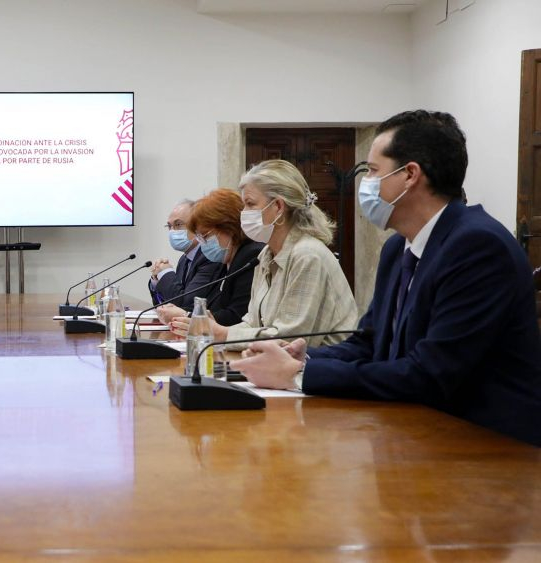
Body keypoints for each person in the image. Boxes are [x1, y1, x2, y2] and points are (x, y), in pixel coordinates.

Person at [231, 111, 541, 446]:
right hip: (413, 431)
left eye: (373, 171)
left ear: (410, 175)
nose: (365, 183)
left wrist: (300, 375)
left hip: (485, 445)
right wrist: (299, 358)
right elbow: (369, 343)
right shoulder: (397, 247)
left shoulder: (477, 246)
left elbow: (430, 374)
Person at [177, 160, 357, 349]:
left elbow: (290, 340)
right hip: (278, 362)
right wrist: (216, 331)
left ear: (278, 206)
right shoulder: (266, 254)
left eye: (250, 204)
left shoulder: (308, 256)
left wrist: (222, 334)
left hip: (321, 364)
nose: (243, 213)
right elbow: (252, 323)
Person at [157, 189, 264, 327]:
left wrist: (186, 316)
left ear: (228, 228)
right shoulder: (226, 260)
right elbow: (212, 308)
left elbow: (237, 316)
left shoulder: (249, 256)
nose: (202, 243)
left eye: (205, 236)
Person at [148, 199, 222, 310]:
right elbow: (164, 306)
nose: (172, 231)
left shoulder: (209, 258)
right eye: (169, 226)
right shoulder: (184, 259)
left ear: (197, 226)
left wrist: (166, 273)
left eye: (178, 224)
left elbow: (185, 304)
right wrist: (157, 279)